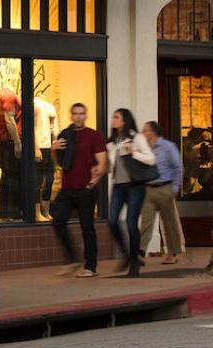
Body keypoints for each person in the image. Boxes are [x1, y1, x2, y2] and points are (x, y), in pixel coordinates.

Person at [49, 102, 107, 277]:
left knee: (87, 227)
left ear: (85, 115)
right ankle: (73, 260)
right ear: (71, 116)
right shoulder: (65, 135)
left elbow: (102, 162)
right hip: (67, 188)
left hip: (86, 188)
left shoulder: (94, 136)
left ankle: (90, 267)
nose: (78, 116)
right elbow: (59, 163)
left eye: (81, 113)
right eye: (75, 113)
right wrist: (53, 150)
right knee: (57, 220)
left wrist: (92, 183)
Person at [105, 108, 155, 277]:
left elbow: (151, 159)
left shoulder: (137, 137)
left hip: (135, 186)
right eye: (113, 117)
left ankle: (134, 262)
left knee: (131, 223)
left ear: (125, 120)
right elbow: (110, 164)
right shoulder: (112, 141)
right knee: (112, 220)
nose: (113, 120)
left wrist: (134, 152)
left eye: (117, 117)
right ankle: (127, 255)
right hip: (118, 186)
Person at [138, 118, 187, 266]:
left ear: (153, 132)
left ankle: (172, 253)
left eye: (145, 130)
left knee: (169, 222)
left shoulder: (168, 147)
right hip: (148, 189)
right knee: (146, 221)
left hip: (165, 187)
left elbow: (178, 168)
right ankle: (140, 252)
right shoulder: (144, 148)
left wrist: (174, 188)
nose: (143, 133)